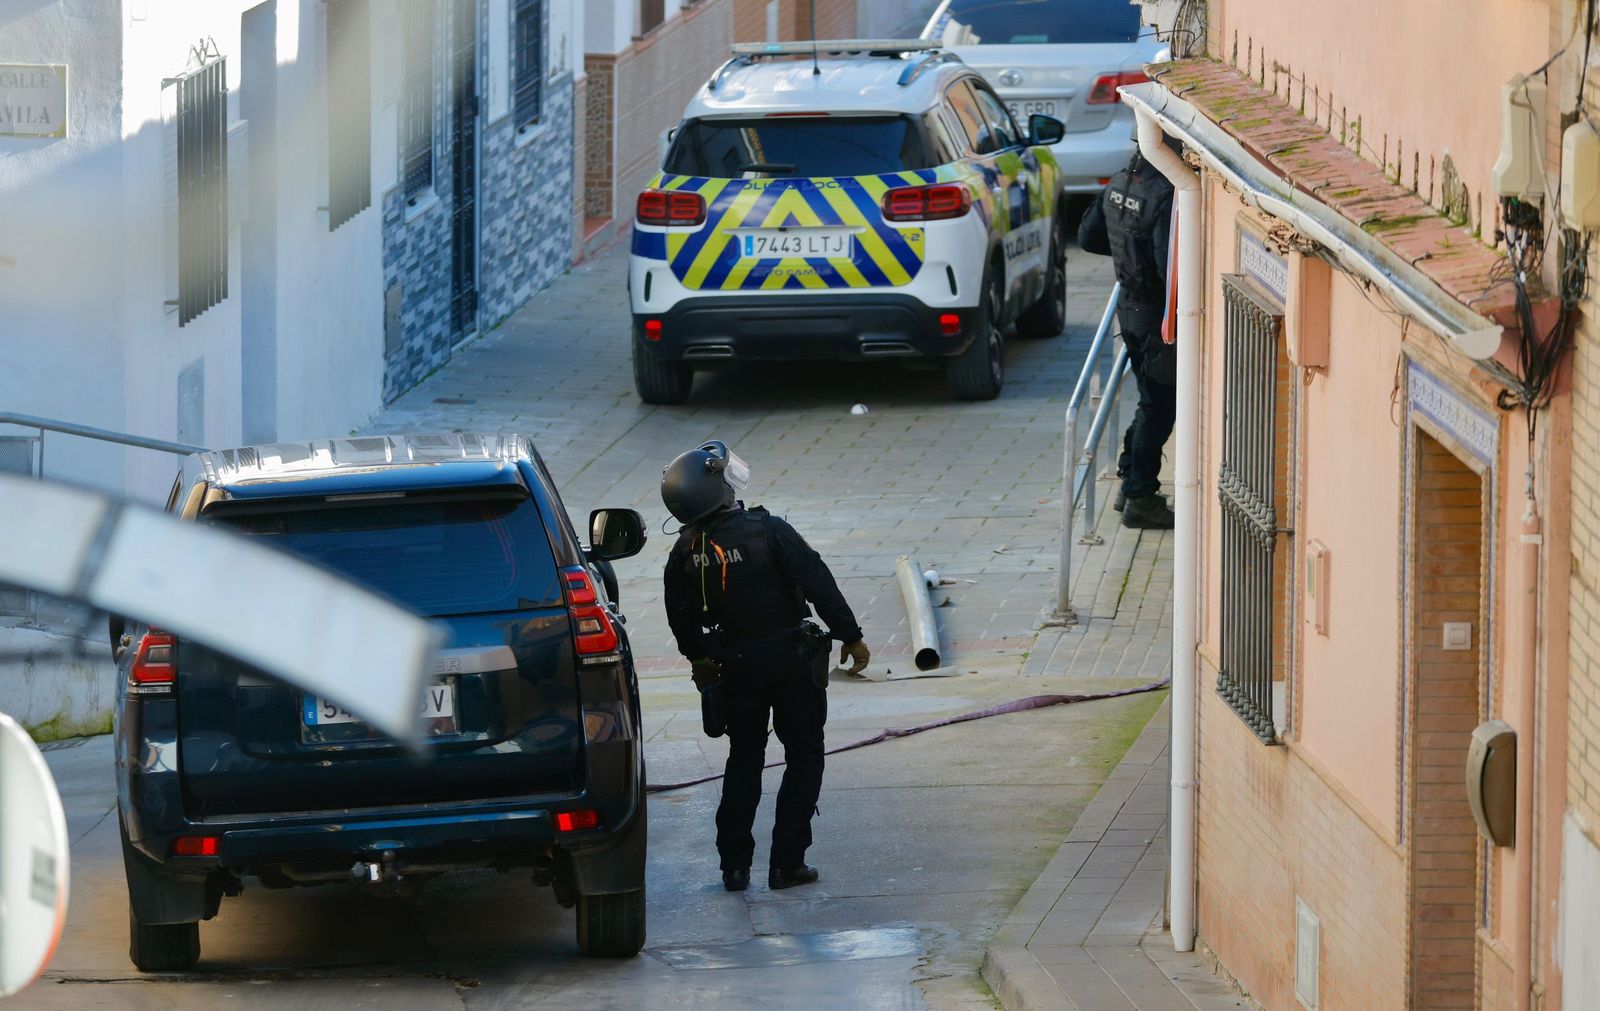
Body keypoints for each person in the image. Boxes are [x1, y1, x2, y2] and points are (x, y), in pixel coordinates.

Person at [661, 440, 871, 893]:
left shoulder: (684, 552)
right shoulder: (770, 530)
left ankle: (734, 868)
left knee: (744, 759)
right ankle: (787, 864)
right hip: (790, 662)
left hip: (734, 667)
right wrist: (850, 635)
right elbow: (817, 581)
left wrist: (699, 661)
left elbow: (679, 615)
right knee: (804, 755)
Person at [1077, 141, 1179, 530]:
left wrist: (1127, 255)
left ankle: (1129, 480)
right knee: (1159, 408)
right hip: (1156, 317)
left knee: (1151, 401)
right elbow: (1167, 267)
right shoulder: (1165, 192)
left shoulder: (1120, 182)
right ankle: (1139, 496)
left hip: (1130, 309)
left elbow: (1088, 237)